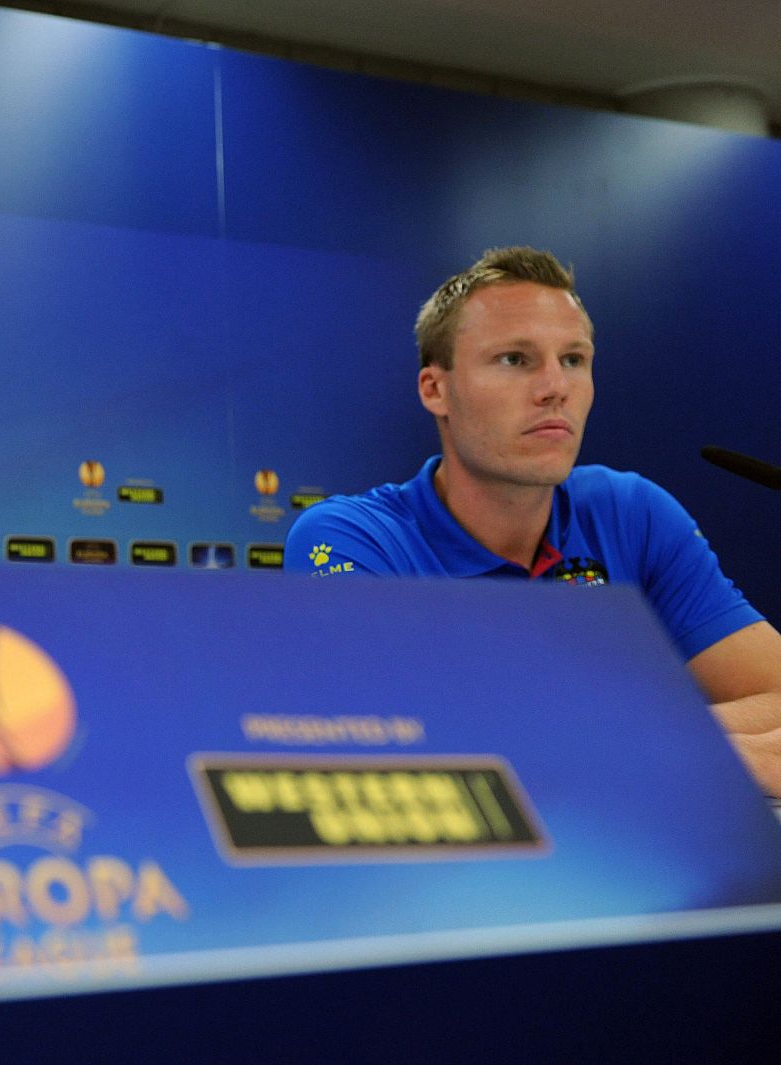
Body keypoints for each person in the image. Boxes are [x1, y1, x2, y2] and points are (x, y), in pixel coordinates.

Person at [285, 246, 781, 794]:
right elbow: (398, 746)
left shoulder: (633, 513)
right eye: (515, 359)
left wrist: (647, 743)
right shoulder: (353, 540)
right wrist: (707, 754)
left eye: (573, 359)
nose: (555, 387)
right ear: (435, 389)